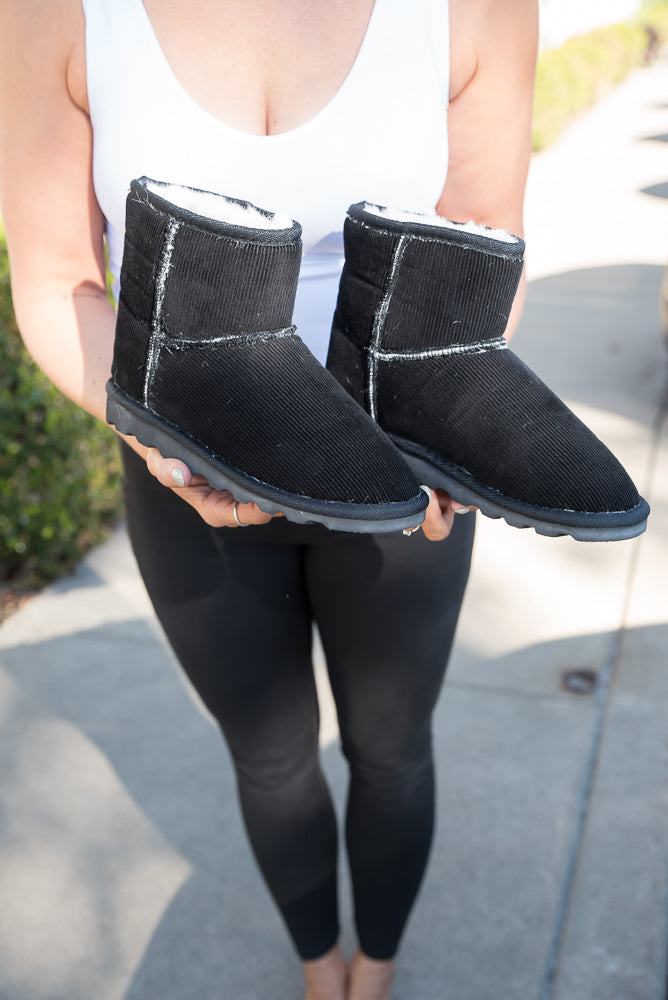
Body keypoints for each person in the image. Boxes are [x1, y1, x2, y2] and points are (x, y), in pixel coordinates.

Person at [0, 1, 538, 997]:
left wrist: (446, 417)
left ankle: (370, 974)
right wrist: (156, 433)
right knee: (270, 758)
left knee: (389, 749)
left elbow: (482, 237)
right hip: (186, 458)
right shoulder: (51, 12)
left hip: (394, 459)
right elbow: (56, 275)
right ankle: (317, 968)